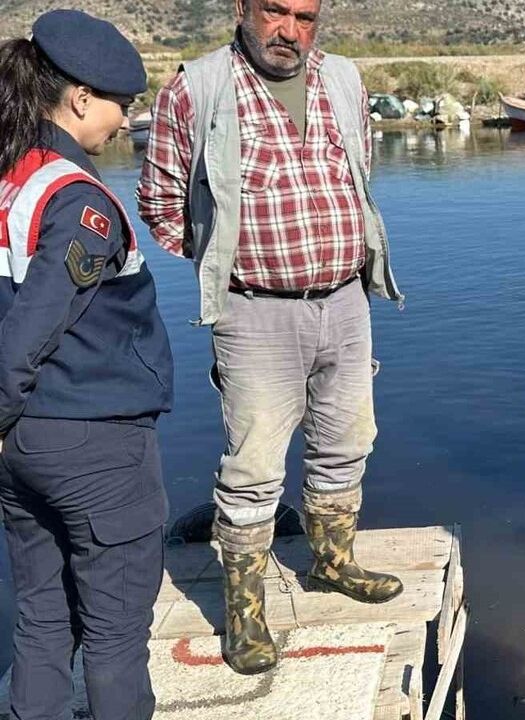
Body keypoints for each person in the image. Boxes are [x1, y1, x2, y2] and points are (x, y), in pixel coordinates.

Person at [137, 0, 403, 675]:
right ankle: (244, 608)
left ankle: (333, 562)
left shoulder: (343, 78)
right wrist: (228, 262)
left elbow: (358, 175)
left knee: (347, 442)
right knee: (254, 466)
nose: (290, 31)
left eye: (306, 17)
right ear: (244, 9)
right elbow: (161, 202)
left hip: (345, 299)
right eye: (275, 12)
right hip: (253, 312)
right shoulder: (195, 88)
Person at [0, 10, 173, 718]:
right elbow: (31, 332)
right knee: (114, 637)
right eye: (120, 105)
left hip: (22, 450)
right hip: (94, 444)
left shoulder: (12, 178)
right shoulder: (79, 201)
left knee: (40, 621)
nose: (126, 122)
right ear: (78, 99)